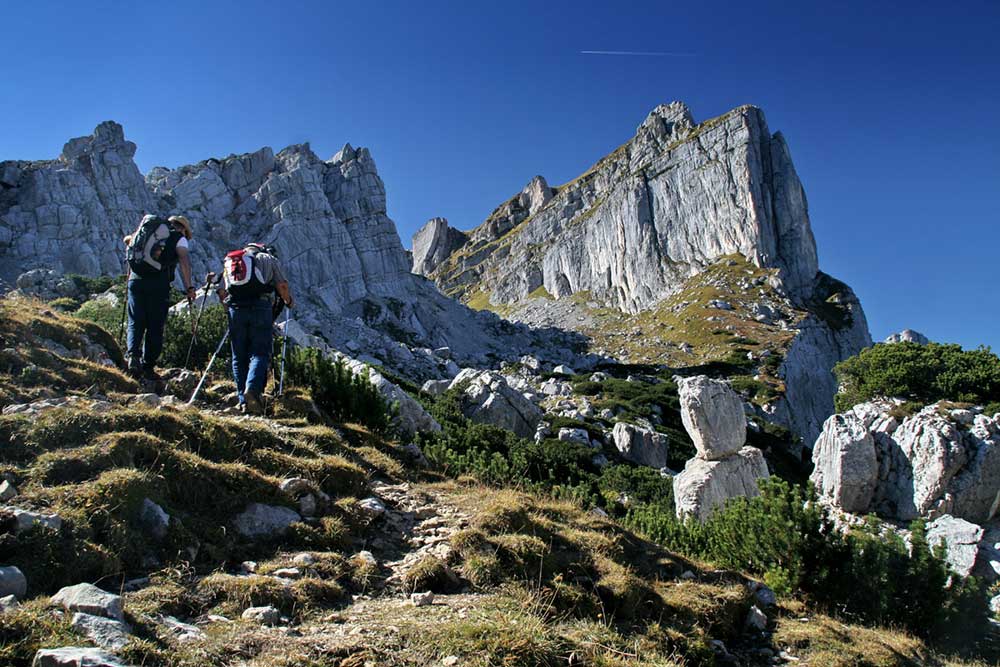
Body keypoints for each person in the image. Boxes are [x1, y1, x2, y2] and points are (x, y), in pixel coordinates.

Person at [216, 243, 294, 414]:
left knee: (239, 355)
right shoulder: (267, 259)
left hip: (235, 309)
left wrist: (228, 310)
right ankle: (252, 390)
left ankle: (243, 401)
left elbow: (222, 291)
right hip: (260, 307)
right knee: (259, 352)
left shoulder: (231, 261)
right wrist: (288, 300)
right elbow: (282, 285)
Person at [123, 214, 195, 383]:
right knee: (155, 325)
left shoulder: (148, 231)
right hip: (158, 285)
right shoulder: (179, 238)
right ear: (183, 228)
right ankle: (148, 367)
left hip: (135, 281)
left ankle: (133, 357)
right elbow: (184, 260)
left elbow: (128, 240)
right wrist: (189, 287)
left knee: (135, 320)